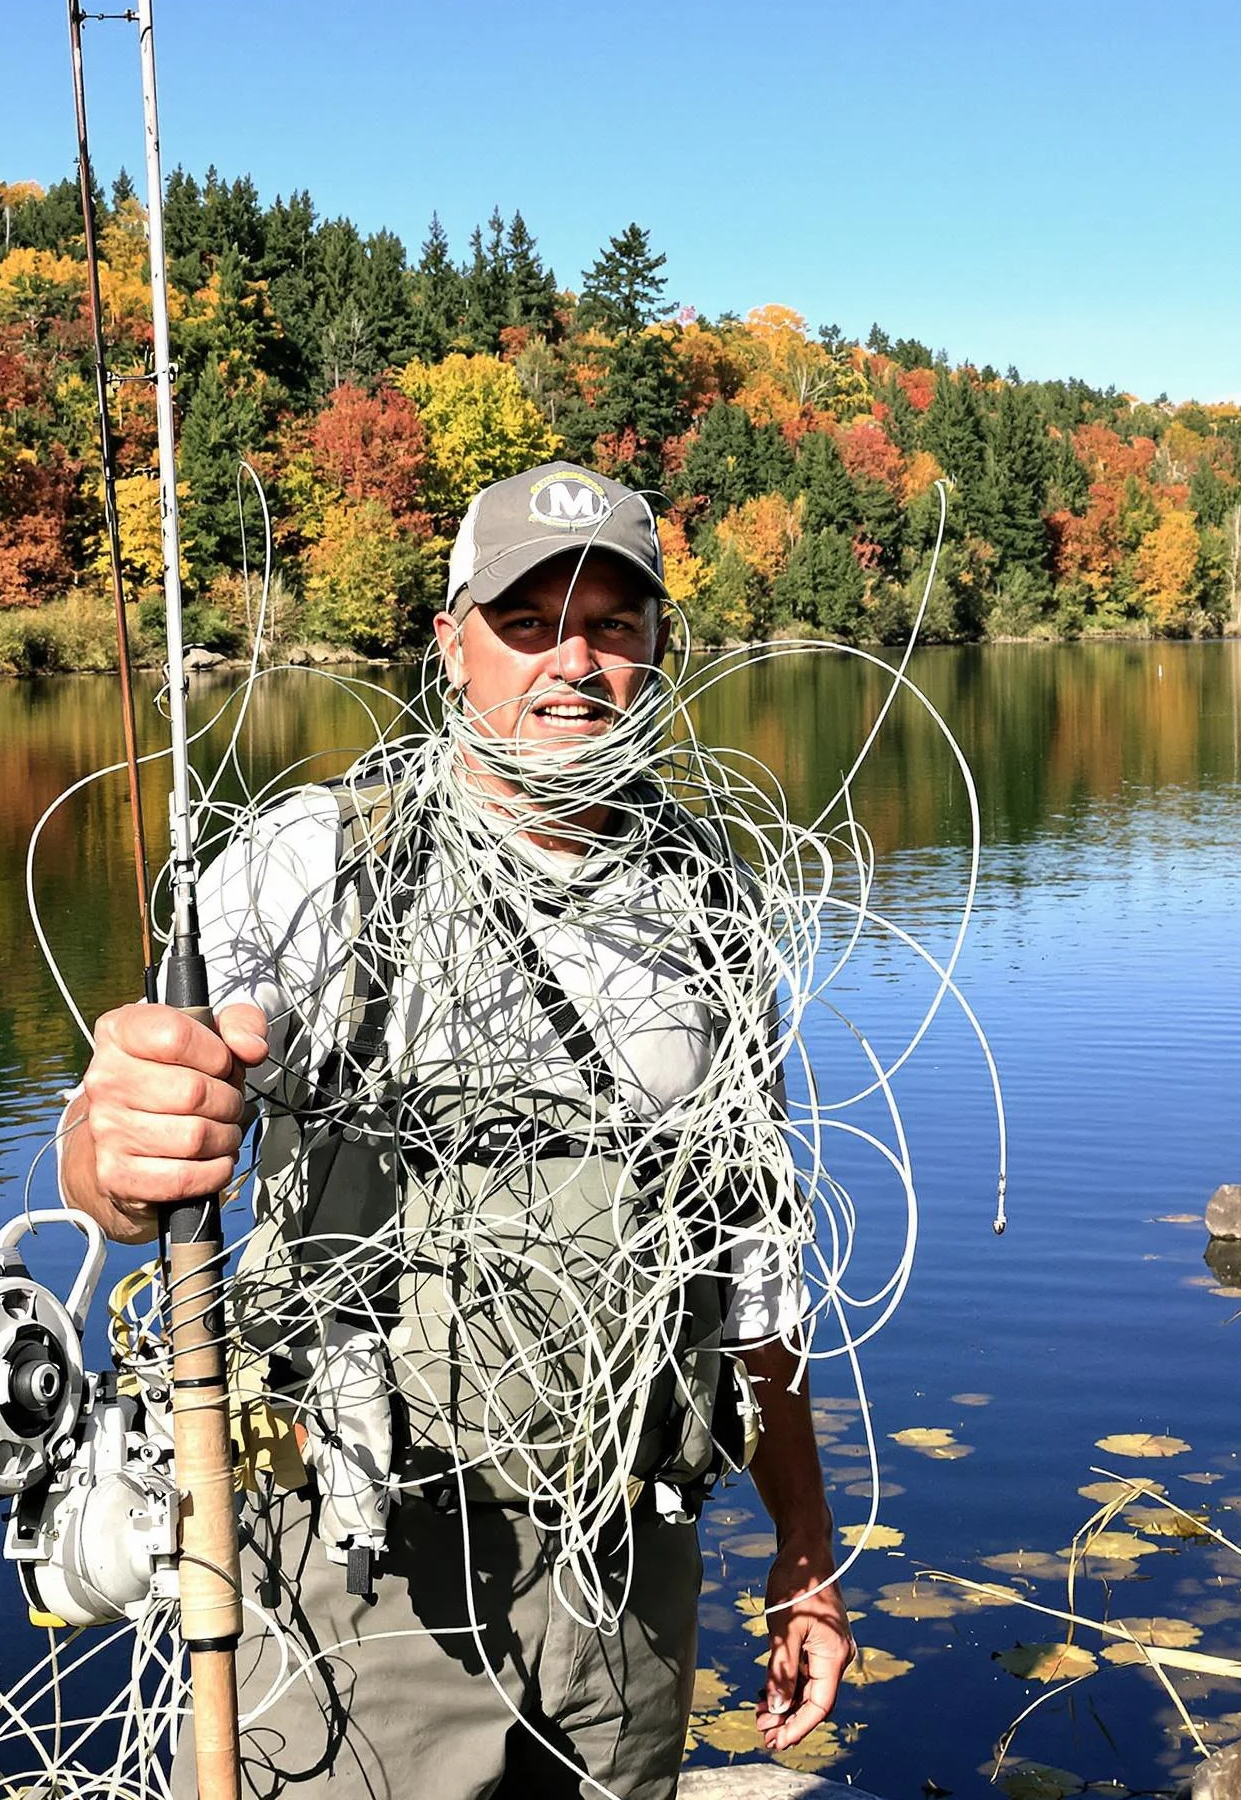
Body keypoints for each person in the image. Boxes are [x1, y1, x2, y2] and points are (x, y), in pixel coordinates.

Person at [60, 463, 852, 1799]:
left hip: (627, 1566)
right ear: (450, 642)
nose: (575, 663)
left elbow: (754, 1263)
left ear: (661, 650)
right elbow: (130, 1145)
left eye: (615, 623)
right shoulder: (315, 864)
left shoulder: (711, 907)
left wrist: (806, 1553)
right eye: (529, 621)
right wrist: (114, 1145)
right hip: (363, 1576)